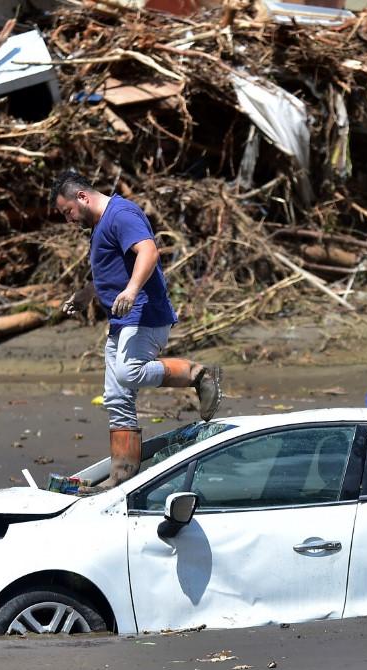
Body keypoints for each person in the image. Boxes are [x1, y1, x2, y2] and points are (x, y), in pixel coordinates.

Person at [52, 170, 221, 488]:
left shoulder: (122, 213)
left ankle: (198, 373)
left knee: (129, 373)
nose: (69, 219)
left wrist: (130, 291)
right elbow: (109, 269)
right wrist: (84, 295)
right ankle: (122, 478)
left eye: (68, 211)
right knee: (116, 397)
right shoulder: (101, 224)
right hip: (122, 321)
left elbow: (148, 251)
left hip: (144, 314)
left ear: (82, 197)